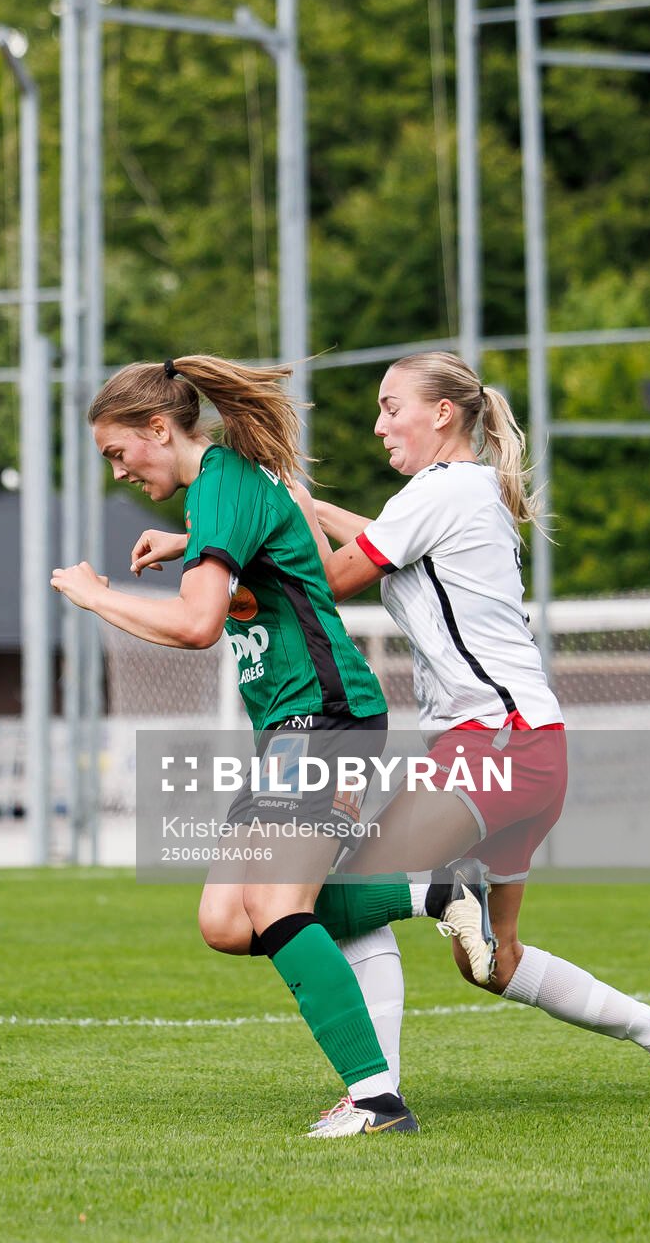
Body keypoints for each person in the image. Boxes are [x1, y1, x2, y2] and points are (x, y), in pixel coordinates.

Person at [53, 353, 479, 1138]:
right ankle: (435, 892)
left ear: (158, 428)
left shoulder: (221, 482)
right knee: (226, 919)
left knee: (277, 905)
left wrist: (97, 596)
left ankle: (376, 1100)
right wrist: (189, 547)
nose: (117, 470)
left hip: (326, 715)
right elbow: (300, 562)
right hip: (289, 727)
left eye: (119, 452)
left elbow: (196, 625)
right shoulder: (224, 486)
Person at [297, 350, 650, 1105]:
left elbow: (330, 579)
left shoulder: (437, 491)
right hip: (533, 750)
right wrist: (311, 508)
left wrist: (275, 516)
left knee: (350, 892)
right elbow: (385, 548)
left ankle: (373, 1097)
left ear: (443, 414)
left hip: (490, 745)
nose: (379, 423)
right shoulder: (461, 492)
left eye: (393, 407)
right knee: (492, 962)